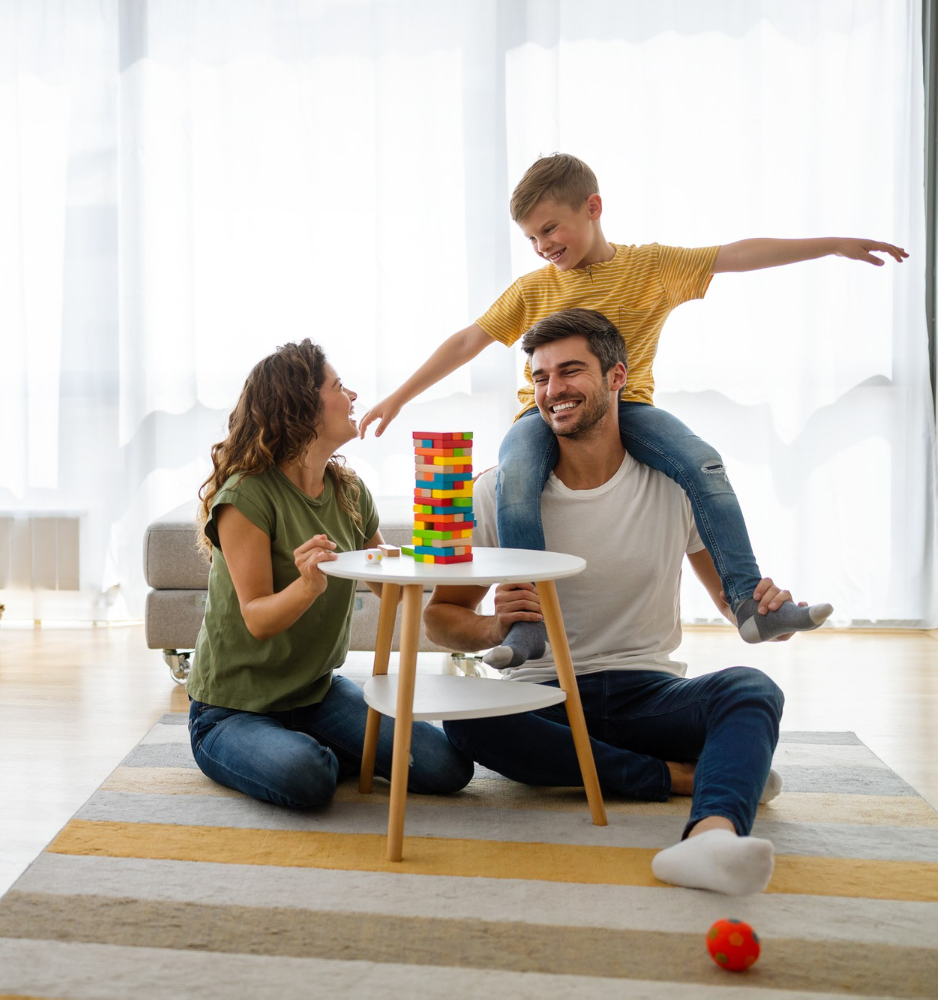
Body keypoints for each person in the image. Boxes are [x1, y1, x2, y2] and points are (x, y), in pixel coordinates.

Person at [362, 153, 905, 670]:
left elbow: (736, 254)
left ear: (592, 208)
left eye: (550, 229)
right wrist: (398, 397)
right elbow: (466, 341)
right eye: (530, 237)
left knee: (702, 461)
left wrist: (834, 244)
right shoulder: (532, 290)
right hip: (540, 416)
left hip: (629, 407)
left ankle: (747, 604)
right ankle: (529, 624)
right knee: (517, 475)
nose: (542, 246)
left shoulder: (653, 267)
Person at [424, 308, 795, 896]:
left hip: (646, 693)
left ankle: (713, 837)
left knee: (752, 690)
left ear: (618, 376)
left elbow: (729, 599)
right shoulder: (496, 491)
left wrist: (765, 611)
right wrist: (496, 627)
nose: (553, 391)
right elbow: (440, 618)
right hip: (542, 697)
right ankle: (675, 777)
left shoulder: (673, 484)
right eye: (541, 377)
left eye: (570, 371)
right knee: (469, 726)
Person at [186, 339, 473, 809]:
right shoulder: (247, 496)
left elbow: (391, 588)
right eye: (339, 386)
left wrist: (437, 552)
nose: (354, 396)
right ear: (300, 408)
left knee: (447, 766)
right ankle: (299, 755)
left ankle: (322, 749)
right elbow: (257, 617)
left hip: (316, 695)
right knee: (308, 775)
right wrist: (307, 586)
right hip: (233, 710)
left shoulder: (350, 491)